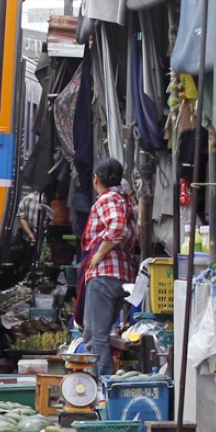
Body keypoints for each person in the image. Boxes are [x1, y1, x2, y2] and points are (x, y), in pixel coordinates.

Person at [81, 157, 138, 380]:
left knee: (95, 335)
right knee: (101, 333)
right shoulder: (125, 200)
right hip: (121, 274)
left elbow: (117, 228)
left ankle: (100, 385)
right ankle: (104, 382)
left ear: (96, 179)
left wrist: (99, 253)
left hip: (104, 274)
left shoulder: (108, 199)